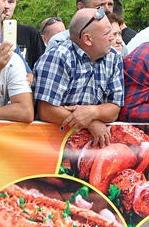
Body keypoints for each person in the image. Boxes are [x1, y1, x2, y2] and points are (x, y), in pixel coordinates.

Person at [32, 8, 123, 147]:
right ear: (87, 39)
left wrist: (93, 112)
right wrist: (91, 123)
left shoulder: (114, 57)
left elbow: (114, 109)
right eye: (107, 33)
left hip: (91, 149)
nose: (113, 38)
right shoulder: (58, 57)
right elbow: (46, 110)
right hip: (50, 147)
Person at [47, 0, 117, 47]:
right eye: (101, 5)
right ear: (81, 7)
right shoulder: (59, 42)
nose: (108, 10)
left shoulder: (117, 42)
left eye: (110, 4)